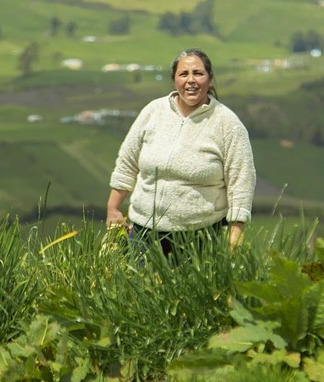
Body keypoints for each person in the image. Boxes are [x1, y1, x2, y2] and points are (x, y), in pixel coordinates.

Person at [105, 48, 256, 256]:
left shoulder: (227, 124)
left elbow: (241, 182)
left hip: (199, 238)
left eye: (198, 73)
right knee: (140, 287)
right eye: (184, 74)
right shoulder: (153, 111)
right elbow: (127, 162)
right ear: (174, 80)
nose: (191, 80)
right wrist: (113, 208)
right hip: (142, 233)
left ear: (210, 79)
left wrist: (235, 236)